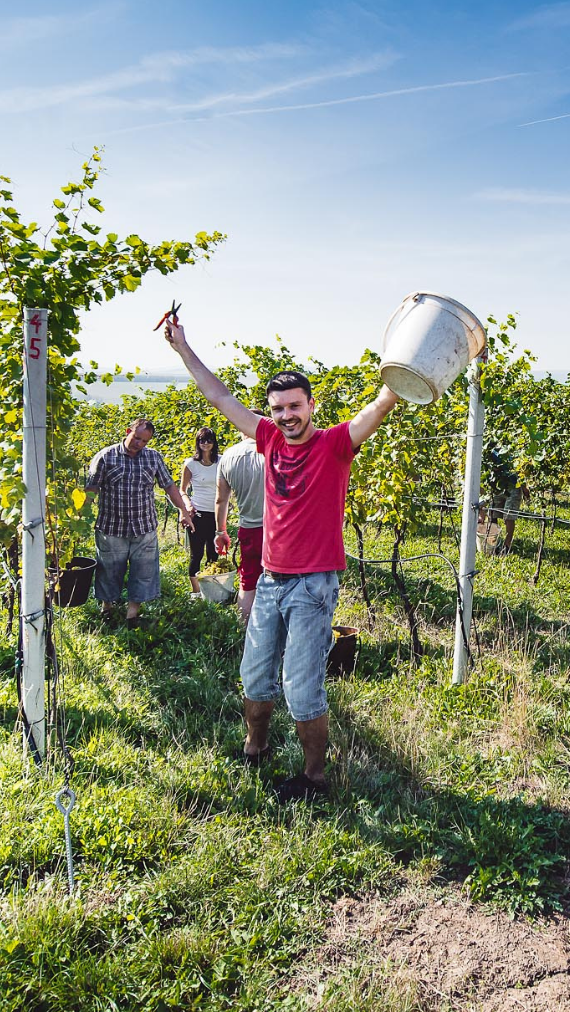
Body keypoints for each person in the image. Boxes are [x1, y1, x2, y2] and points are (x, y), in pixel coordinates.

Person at [162, 317, 399, 803]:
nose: (287, 415)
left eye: (295, 406)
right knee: (254, 673)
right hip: (270, 580)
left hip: (313, 585)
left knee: (301, 683)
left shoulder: (335, 445)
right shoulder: (268, 439)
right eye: (278, 409)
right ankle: (256, 748)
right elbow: (220, 398)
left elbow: (379, 405)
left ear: (312, 405)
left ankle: (315, 779)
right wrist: (184, 349)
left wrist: (405, 373)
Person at [86, 418, 194, 625]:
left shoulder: (153, 458)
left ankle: (132, 615)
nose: (139, 444)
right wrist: (82, 516)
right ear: (128, 431)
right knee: (109, 569)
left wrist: (183, 510)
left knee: (143, 570)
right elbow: (92, 488)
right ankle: (107, 609)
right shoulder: (106, 456)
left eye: (144, 441)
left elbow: (169, 486)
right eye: (136, 438)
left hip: (144, 526)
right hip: (112, 527)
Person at [214, 429, 265, 624]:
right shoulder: (275, 450)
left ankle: (244, 632)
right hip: (279, 529)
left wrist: (221, 531)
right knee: (285, 581)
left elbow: (221, 499)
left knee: (248, 581)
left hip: (249, 527)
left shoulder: (228, 456)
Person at [180, 426, 222, 598]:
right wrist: (188, 505)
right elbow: (182, 490)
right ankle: (196, 593)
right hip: (197, 514)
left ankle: (212, 591)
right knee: (196, 554)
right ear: (198, 443)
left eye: (209, 440)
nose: (206, 443)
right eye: (202, 440)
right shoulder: (191, 464)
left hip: (217, 514)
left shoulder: (222, 461)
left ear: (214, 443)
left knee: (214, 553)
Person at [478, 443, 524, 553]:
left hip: (514, 485)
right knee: (493, 514)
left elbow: (521, 467)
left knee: (508, 516)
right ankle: (491, 542)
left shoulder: (513, 448)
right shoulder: (488, 449)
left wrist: (524, 486)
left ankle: (507, 546)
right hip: (497, 485)